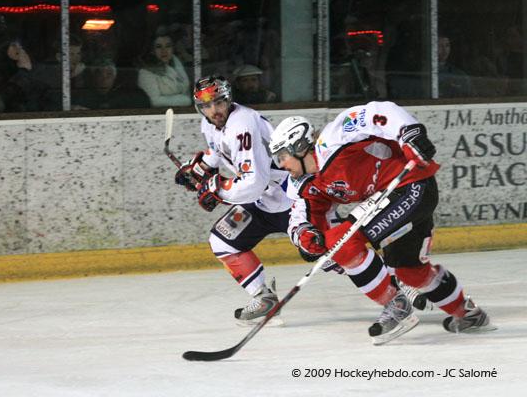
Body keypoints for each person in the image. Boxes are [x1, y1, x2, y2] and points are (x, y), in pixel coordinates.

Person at [269, 102, 495, 344]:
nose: (281, 165)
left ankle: (397, 307)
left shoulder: (333, 139)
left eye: (282, 156)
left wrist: (409, 133)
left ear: (299, 146)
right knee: (409, 271)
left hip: (411, 185)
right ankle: (469, 314)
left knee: (341, 242)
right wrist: (305, 235)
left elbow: (378, 111)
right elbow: (303, 216)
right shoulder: (305, 184)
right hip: (399, 199)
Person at [173, 75, 296, 325]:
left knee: (334, 253)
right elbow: (218, 151)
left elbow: (253, 183)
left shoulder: (242, 125)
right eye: (206, 106)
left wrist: (216, 190)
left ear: (228, 100)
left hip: (292, 197)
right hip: (263, 200)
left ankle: (383, 286)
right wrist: (198, 169)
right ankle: (264, 299)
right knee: (223, 240)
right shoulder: (210, 123)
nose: (213, 111)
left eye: (218, 103)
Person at [137, 31, 190, 107]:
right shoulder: (145, 72)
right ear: (152, 51)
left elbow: (186, 87)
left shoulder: (175, 62)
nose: (164, 51)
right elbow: (154, 101)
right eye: (159, 47)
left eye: (168, 46)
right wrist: (186, 100)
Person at [72, 58, 149, 110]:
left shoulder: (130, 95)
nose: (104, 78)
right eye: (99, 73)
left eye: (109, 74)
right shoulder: (82, 96)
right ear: (94, 77)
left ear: (114, 77)